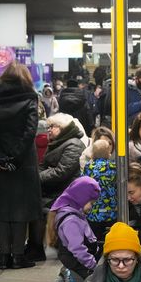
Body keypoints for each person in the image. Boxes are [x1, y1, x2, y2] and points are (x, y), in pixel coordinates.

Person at [0, 62, 41, 270]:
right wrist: (16, 158)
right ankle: (18, 256)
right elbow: (29, 131)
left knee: (3, 209)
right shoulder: (30, 99)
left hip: (0, 162)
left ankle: (4, 256)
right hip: (24, 161)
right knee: (21, 210)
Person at [26, 112, 87, 262]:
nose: (48, 130)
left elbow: (62, 172)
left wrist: (36, 178)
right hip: (55, 188)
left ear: (62, 127)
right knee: (32, 205)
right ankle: (35, 246)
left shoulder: (73, 144)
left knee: (38, 208)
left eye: (52, 127)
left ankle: (36, 248)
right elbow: (43, 165)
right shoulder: (58, 142)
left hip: (65, 191)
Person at [47, 176, 101, 282]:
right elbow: (78, 249)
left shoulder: (75, 213)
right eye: (91, 202)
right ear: (80, 197)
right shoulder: (71, 220)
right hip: (78, 261)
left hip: (80, 259)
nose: (92, 206)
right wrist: (93, 266)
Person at [83, 139, 118, 243]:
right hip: (111, 211)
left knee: (94, 239)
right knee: (110, 239)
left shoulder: (88, 167)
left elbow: (84, 185)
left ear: (93, 153)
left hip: (93, 211)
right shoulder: (114, 166)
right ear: (108, 152)